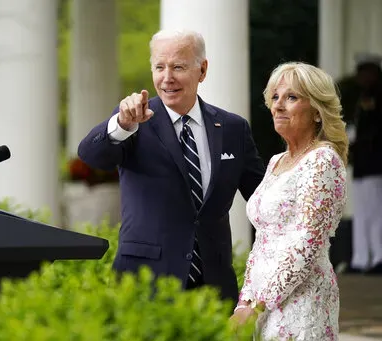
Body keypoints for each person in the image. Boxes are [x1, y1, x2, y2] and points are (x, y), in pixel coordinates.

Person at [77, 29, 265, 302]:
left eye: (178, 67)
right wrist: (121, 125)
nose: (167, 78)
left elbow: (263, 199)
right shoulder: (133, 122)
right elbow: (90, 155)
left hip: (214, 285)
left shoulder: (233, 128)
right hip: (145, 282)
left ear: (202, 70)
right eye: (159, 67)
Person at [232, 62, 349, 340]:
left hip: (303, 302)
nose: (278, 106)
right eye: (275, 97)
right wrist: (244, 303)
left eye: (291, 97)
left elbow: (308, 242)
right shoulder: (275, 162)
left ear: (317, 112)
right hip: (262, 304)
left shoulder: (323, 160)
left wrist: (258, 306)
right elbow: (262, 242)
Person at [347, 53, 382, 274]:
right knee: (362, 213)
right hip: (362, 165)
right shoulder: (363, 97)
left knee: (376, 213)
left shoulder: (379, 96)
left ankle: (378, 257)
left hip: (376, 164)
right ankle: (361, 258)